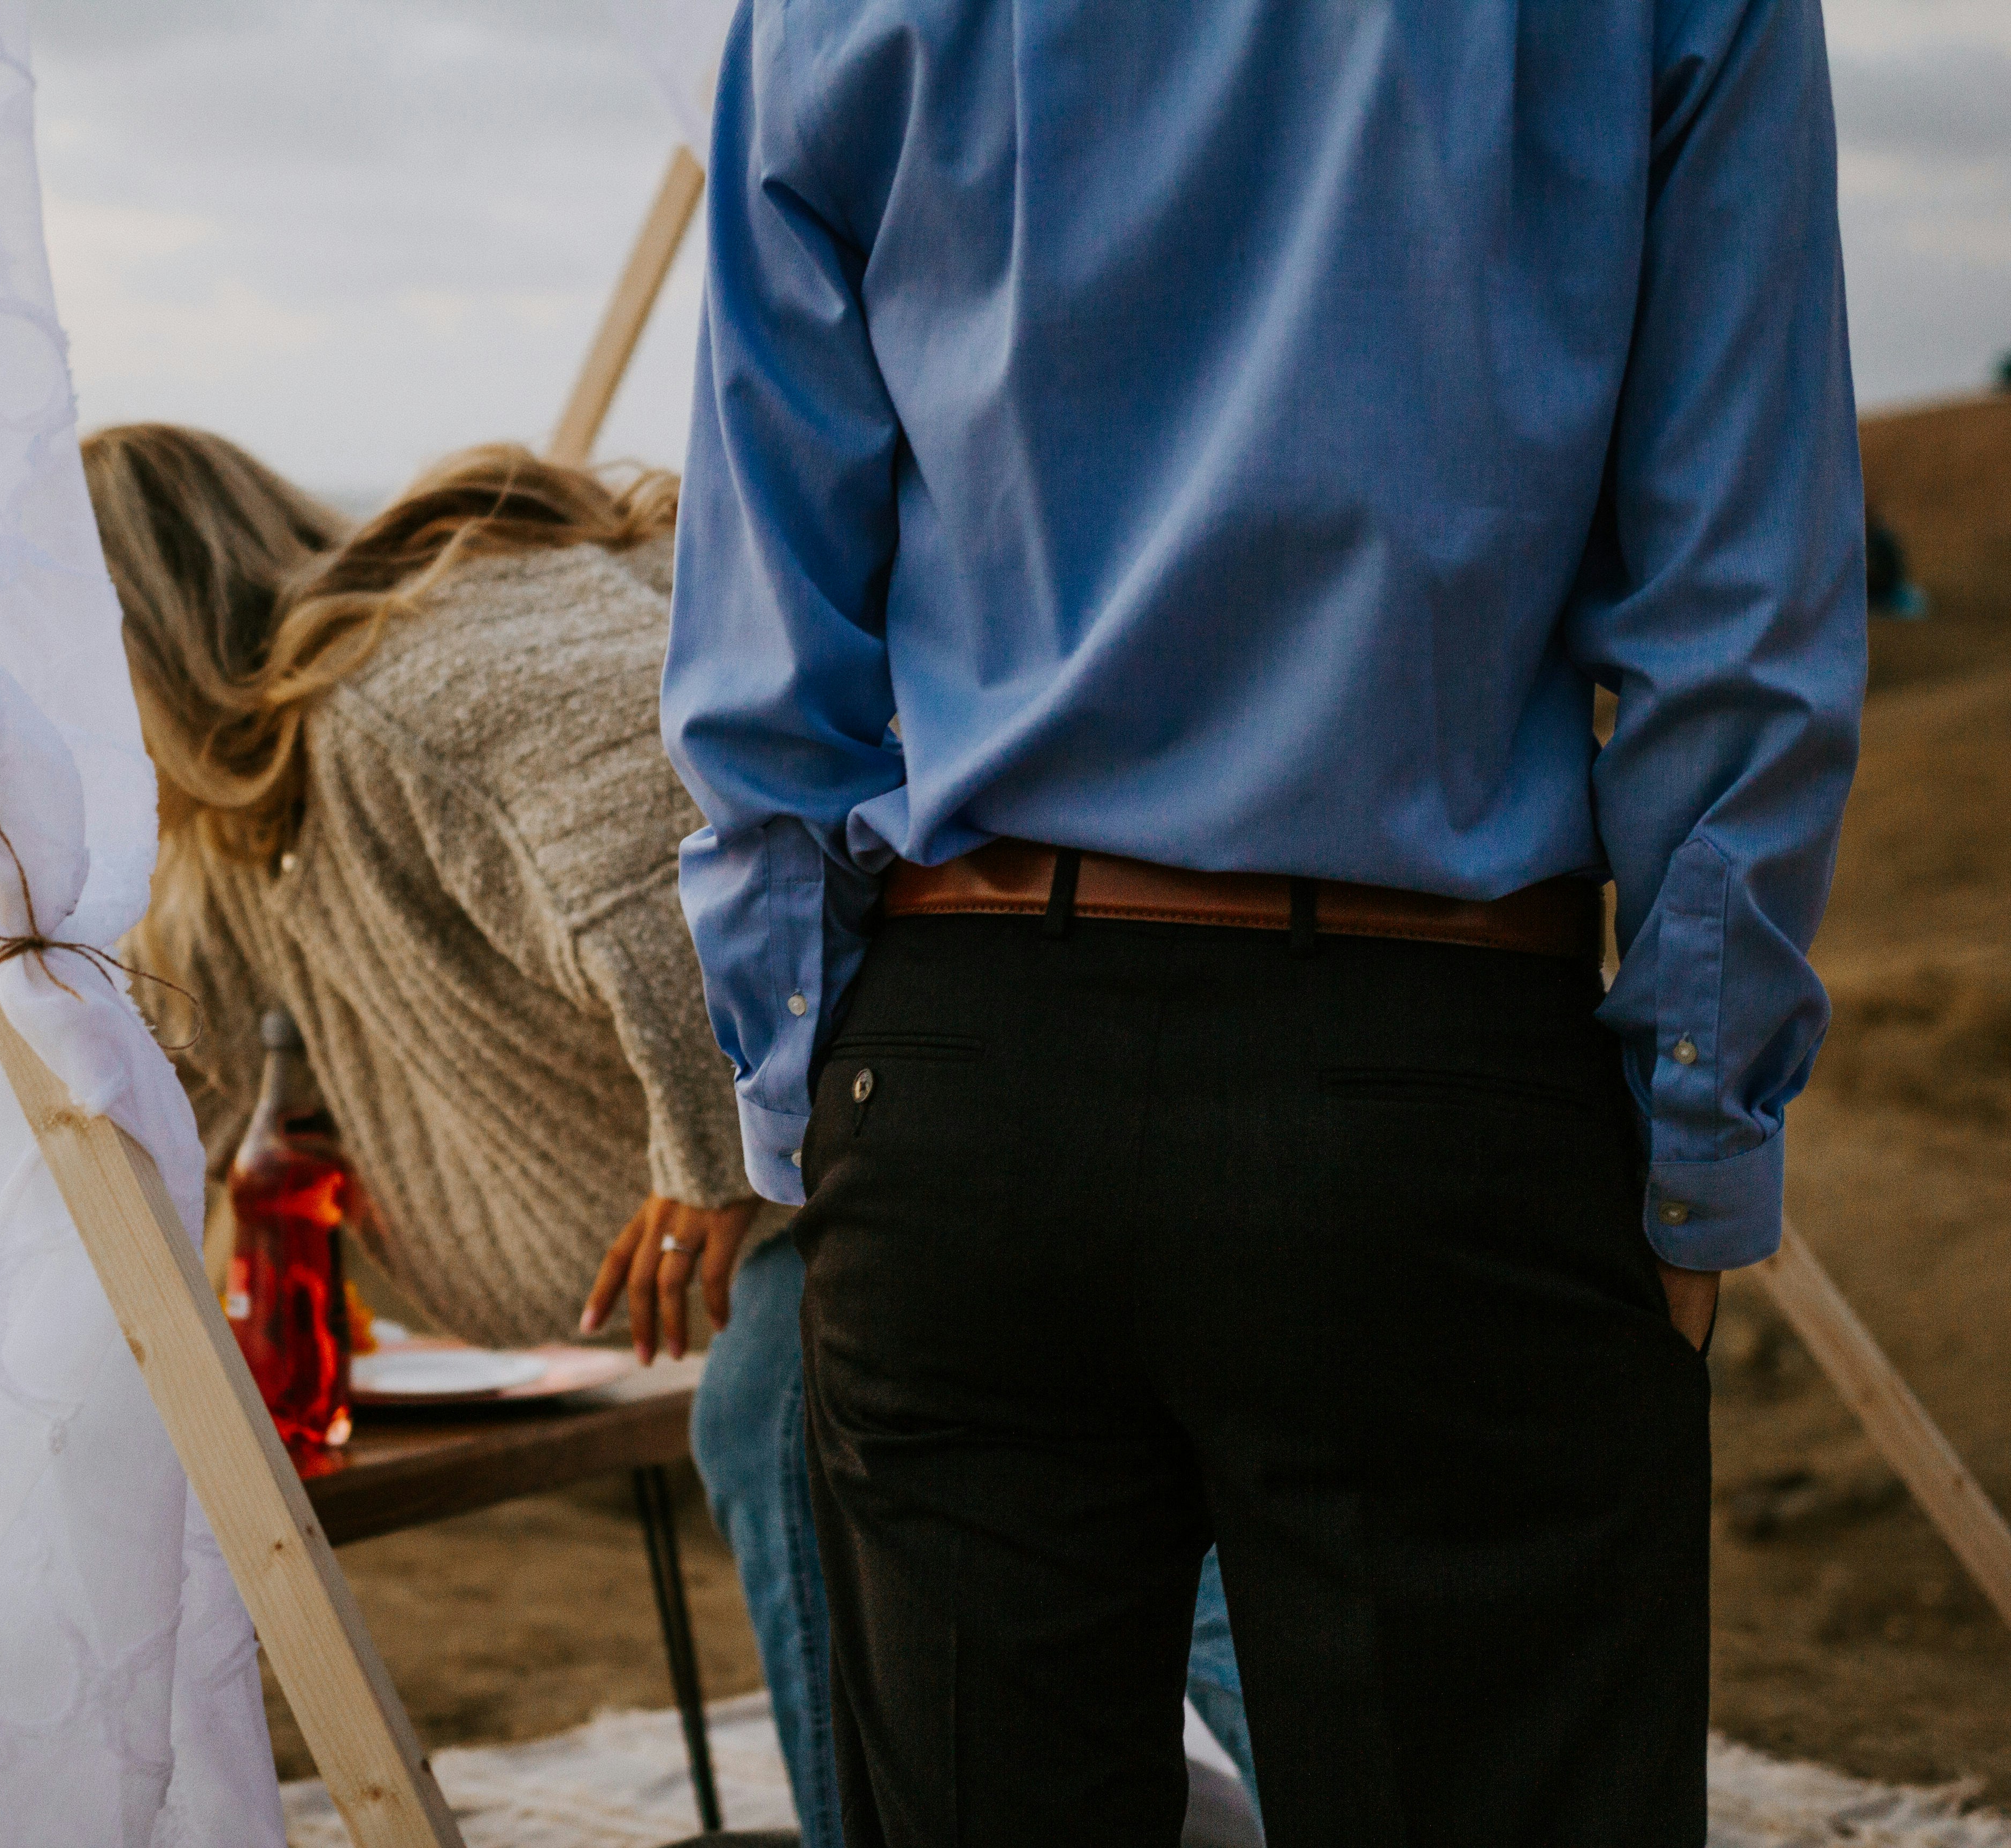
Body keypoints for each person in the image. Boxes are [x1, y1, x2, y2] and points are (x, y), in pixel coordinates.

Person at [0, 425, 1261, 1841]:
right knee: (1093, 1549)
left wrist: (703, 1162)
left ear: (132, 634)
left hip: (943, 1103)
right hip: (903, 1134)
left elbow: (665, 845)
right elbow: (111, 1054)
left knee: (838, 1451)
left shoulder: (411, 679)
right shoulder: (253, 822)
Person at [663, 3, 1864, 1844]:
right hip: (1436, 1090)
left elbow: (764, 643)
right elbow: (1740, 621)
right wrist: (1701, 1134)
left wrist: (803, 1091)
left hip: (966, 1085)